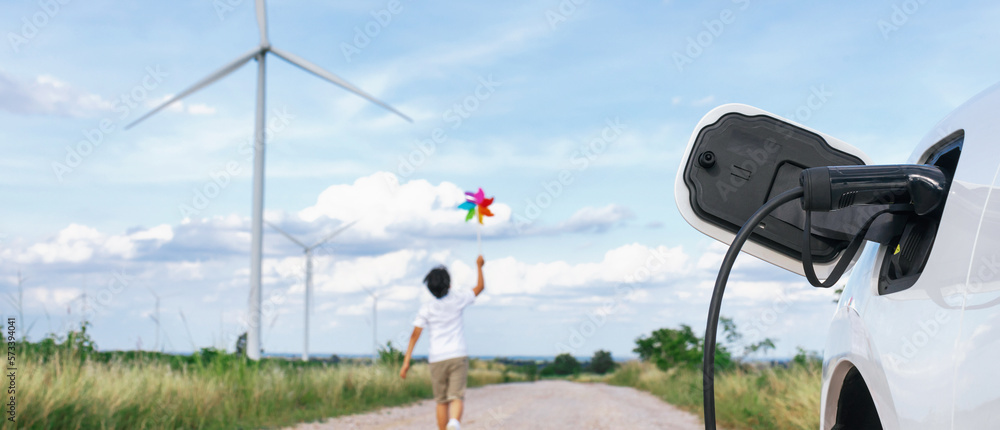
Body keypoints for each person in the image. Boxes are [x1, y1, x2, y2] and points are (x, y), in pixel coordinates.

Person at [400, 255, 485, 430]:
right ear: (450, 285)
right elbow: (479, 288)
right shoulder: (458, 299)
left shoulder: (426, 309)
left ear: (429, 288)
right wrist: (479, 266)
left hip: (437, 358)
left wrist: (407, 360)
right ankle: (454, 422)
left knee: (441, 401)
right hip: (457, 354)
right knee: (456, 397)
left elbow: (415, 335)